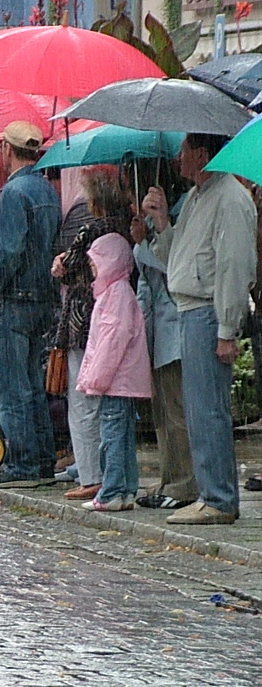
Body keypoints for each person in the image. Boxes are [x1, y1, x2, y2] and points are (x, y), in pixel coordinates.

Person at [142, 133, 259, 525]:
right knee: (197, 407)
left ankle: (219, 497)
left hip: (208, 311)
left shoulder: (229, 198)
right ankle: (211, 492)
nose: (178, 159)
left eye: (184, 151)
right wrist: (161, 223)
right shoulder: (196, 197)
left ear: (203, 154)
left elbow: (234, 265)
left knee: (208, 408)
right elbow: (177, 257)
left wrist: (228, 327)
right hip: (190, 309)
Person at [0, 122, 61, 489]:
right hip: (41, 297)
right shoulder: (45, 189)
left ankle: (24, 462)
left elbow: (8, 250)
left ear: (6, 150)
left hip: (12, 300)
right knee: (31, 383)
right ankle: (42, 458)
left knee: (11, 388)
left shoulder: (14, 192)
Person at [50, 169, 133, 502]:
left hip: (83, 317)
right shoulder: (124, 227)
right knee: (104, 403)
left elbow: (65, 264)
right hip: (98, 315)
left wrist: (61, 263)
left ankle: (92, 474)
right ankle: (104, 472)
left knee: (83, 398)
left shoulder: (92, 230)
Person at [75, 233, 151, 512]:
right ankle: (125, 490)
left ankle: (112, 491)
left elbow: (112, 340)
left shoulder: (115, 294)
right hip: (121, 380)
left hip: (116, 381)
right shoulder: (115, 292)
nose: (93, 270)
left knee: (112, 437)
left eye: (96, 264)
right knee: (122, 435)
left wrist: (96, 378)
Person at [131, 191, 197, 509]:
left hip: (174, 327)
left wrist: (150, 236)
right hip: (158, 329)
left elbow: (173, 267)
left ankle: (184, 484)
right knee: (163, 415)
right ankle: (170, 478)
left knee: (176, 412)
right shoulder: (161, 216)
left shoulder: (182, 211)